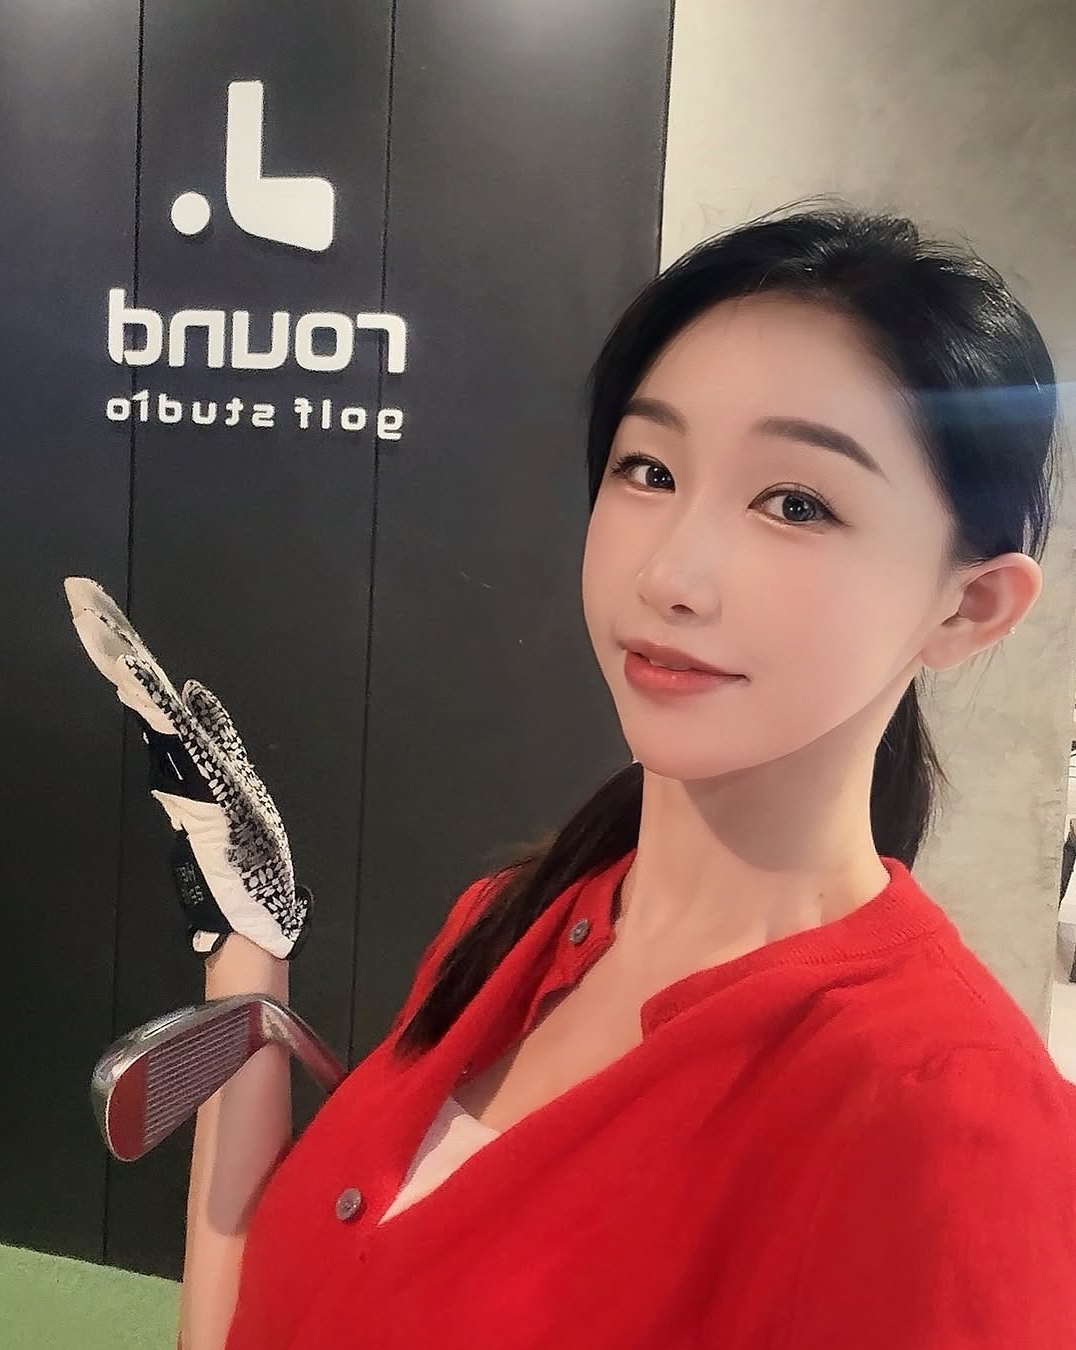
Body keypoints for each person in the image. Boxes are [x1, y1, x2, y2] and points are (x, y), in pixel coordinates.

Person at [70, 199, 1076, 1349]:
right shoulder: (509, 924)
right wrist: (249, 948)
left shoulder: (952, 1130)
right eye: (649, 468)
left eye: (795, 502)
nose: (671, 574)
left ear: (968, 605)